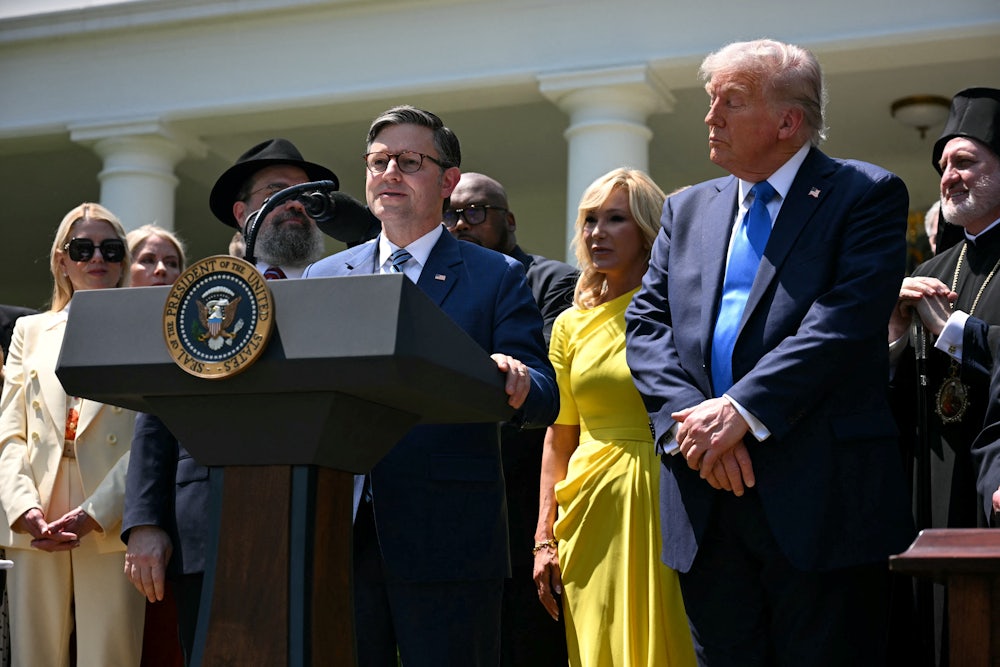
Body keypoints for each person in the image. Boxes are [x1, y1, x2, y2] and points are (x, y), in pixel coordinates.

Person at [624, 39, 915, 665]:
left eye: (731, 102)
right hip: (704, 493)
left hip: (821, 501)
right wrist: (695, 429)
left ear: (788, 121)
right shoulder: (685, 207)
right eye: (710, 102)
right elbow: (646, 325)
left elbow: (842, 322)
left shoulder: (865, 195)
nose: (711, 118)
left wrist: (741, 410)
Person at [304, 105, 558, 666]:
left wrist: (515, 379)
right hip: (339, 536)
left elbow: (545, 391)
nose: (389, 172)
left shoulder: (495, 275)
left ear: (447, 182)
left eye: (409, 161)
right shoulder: (323, 277)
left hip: (449, 538)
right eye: (378, 161)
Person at [122, 138, 342, 664]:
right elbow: (158, 412)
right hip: (207, 531)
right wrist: (146, 523)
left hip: (324, 525)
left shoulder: (342, 288)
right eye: (278, 192)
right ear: (244, 213)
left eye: (306, 195)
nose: (296, 203)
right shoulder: (199, 295)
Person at [533, 169, 695, 666]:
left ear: (647, 230)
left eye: (615, 219)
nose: (597, 232)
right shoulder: (569, 323)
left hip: (669, 493)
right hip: (587, 508)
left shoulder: (681, 309)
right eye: (589, 220)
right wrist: (544, 538)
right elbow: (559, 437)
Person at [0, 202, 145, 666]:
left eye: (110, 248)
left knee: (111, 654)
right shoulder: (29, 330)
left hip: (109, 515)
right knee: (33, 656)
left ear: (123, 260)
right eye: (82, 248)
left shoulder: (147, 328)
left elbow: (149, 436)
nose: (96, 258)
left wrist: (97, 512)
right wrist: (22, 507)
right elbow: (11, 429)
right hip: (35, 510)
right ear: (61, 261)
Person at [445, 171, 575, 666]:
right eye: (452, 214)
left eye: (475, 211)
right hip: (457, 488)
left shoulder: (552, 281)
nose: (461, 223)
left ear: (509, 220)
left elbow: (538, 374)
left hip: (523, 491)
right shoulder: (442, 285)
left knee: (528, 640)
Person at [889, 87, 1000, 664]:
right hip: (929, 484)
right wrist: (890, 325)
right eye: (943, 167)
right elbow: (898, 392)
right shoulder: (929, 271)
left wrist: (956, 332)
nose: (949, 177)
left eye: (965, 162)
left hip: (991, 480)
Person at [125, 224, 188, 667]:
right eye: (146, 259)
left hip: (160, 529)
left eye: (172, 262)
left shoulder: (193, 337)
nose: (161, 269)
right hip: (77, 532)